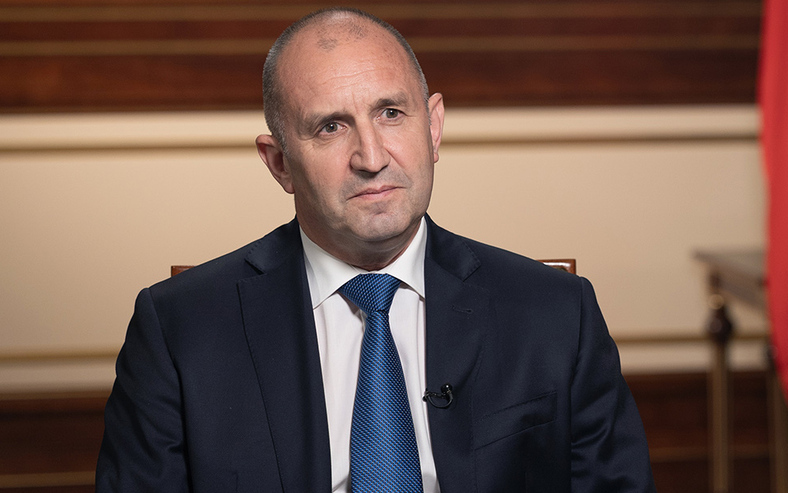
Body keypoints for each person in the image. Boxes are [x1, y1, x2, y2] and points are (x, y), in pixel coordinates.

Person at [96, 7, 656, 492]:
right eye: (330, 127)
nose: (372, 157)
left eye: (391, 113)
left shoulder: (556, 313)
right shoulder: (178, 329)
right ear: (279, 163)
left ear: (433, 128)